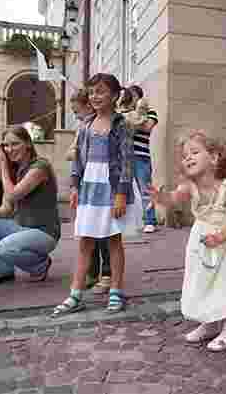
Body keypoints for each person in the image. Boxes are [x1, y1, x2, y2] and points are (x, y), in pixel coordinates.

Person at [149, 130, 226, 352]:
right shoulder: (189, 185)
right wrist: (160, 198)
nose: (187, 157)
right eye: (184, 155)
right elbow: (172, 199)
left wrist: (219, 237)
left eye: (194, 152)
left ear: (214, 157)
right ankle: (208, 322)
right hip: (203, 242)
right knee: (203, 281)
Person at [53, 73, 140, 316]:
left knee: (113, 240)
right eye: (92, 92)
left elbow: (127, 161)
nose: (94, 96)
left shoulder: (121, 125)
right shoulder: (85, 125)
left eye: (100, 91)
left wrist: (121, 194)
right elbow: (78, 160)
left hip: (111, 188)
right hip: (90, 187)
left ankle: (116, 291)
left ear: (114, 95)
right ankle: (75, 294)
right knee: (85, 241)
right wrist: (74, 186)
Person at [0, 126, 59, 287]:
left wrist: (2, 163)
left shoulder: (40, 166)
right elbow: (6, 210)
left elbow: (14, 194)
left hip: (44, 233)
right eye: (6, 146)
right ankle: (0, 270)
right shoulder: (15, 171)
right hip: (21, 228)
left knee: (5, 248)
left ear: (28, 144)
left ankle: (40, 266)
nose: (9, 150)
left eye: (15, 144)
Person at [66, 89, 111, 294]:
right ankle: (92, 273)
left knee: (105, 231)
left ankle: (107, 273)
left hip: (103, 183)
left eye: (77, 112)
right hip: (87, 184)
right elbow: (75, 157)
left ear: (90, 106)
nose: (76, 117)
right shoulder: (83, 128)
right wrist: (74, 184)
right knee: (88, 229)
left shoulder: (104, 125)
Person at [127, 85, 159, 234]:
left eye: (132, 95)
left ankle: (150, 221)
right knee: (125, 189)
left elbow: (147, 127)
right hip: (125, 156)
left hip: (141, 155)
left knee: (145, 189)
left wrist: (134, 120)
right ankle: (133, 221)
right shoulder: (126, 112)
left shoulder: (151, 112)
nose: (130, 99)